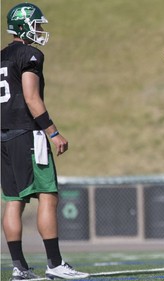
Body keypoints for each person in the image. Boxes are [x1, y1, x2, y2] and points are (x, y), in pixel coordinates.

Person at [1, 3, 90, 280]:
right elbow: (31, 97)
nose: (40, 30)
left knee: (14, 201)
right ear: (24, 26)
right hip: (27, 133)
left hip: (3, 136)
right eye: (37, 25)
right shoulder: (30, 54)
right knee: (48, 196)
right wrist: (53, 132)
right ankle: (54, 263)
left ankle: (19, 267)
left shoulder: (2, 56)